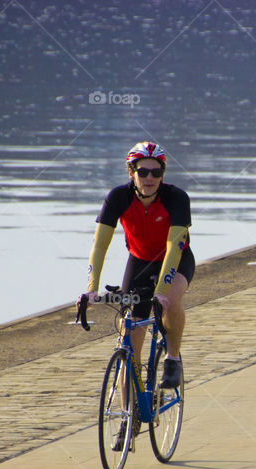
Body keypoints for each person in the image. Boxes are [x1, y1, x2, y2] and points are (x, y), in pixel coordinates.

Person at [78, 141, 193, 389]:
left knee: (170, 301)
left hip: (176, 259)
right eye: (143, 172)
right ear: (132, 173)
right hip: (139, 261)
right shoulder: (118, 197)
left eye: (156, 172)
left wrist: (161, 293)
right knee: (128, 337)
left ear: (163, 174)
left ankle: (172, 358)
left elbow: (174, 248)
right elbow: (99, 246)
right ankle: (127, 420)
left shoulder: (177, 198)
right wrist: (91, 289)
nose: (149, 178)